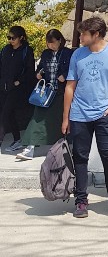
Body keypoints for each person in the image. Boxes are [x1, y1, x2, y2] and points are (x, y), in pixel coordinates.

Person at [61, 16, 108, 218]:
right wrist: (66, 117)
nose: (80, 38)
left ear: (96, 34)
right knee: (80, 157)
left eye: (84, 34)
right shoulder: (77, 54)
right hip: (79, 113)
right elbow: (70, 86)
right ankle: (81, 201)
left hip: (106, 113)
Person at [16, 29, 73, 160]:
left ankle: (62, 149)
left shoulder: (67, 53)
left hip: (61, 93)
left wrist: (65, 75)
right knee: (37, 118)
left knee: (60, 122)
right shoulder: (46, 53)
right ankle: (29, 148)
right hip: (46, 92)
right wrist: (39, 73)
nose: (50, 45)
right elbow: (40, 67)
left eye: (53, 42)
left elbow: (73, 69)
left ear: (59, 40)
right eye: (48, 43)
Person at [0, 26, 35, 152]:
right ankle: (17, 139)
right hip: (3, 87)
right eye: (8, 37)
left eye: (13, 38)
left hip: (17, 88)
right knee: (9, 114)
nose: (10, 40)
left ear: (21, 37)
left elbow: (30, 70)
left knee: (5, 114)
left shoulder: (26, 50)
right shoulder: (5, 49)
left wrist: (19, 81)